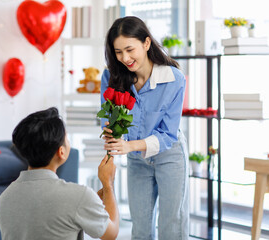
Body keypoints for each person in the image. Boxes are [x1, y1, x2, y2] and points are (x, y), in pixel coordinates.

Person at [101, 16, 189, 240]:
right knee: (139, 228)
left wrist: (129, 145)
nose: (125, 58)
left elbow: (168, 134)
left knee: (172, 226)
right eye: (118, 52)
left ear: (146, 43)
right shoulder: (111, 76)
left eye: (130, 49)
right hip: (136, 158)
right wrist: (112, 138)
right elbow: (108, 119)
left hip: (169, 155)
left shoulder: (174, 79)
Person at [0, 107, 119, 240]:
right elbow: (111, 234)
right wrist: (108, 184)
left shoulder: (5, 197)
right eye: (67, 139)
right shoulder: (78, 196)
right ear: (61, 152)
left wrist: (88, 202)